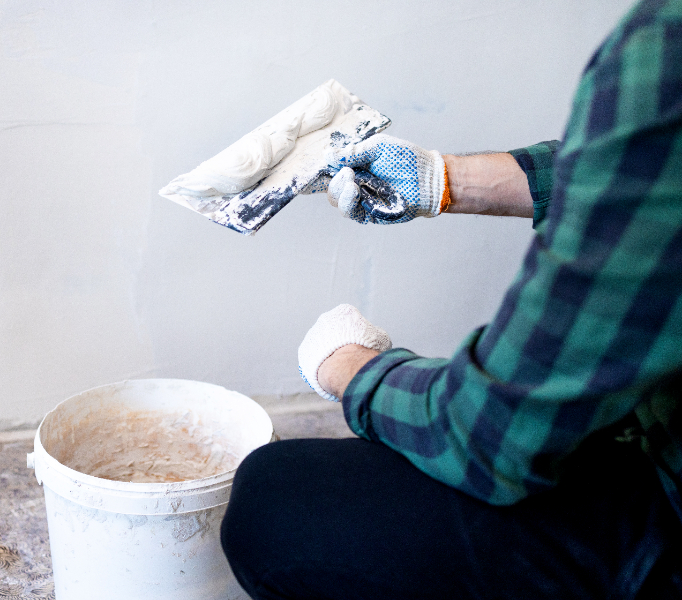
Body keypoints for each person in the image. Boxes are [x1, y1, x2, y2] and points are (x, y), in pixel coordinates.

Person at [220, 0, 682, 598]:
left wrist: (353, 371)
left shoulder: (666, 47)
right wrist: (444, 180)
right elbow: (651, 178)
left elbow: (492, 438)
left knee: (278, 503)